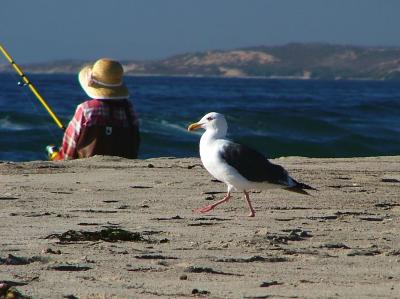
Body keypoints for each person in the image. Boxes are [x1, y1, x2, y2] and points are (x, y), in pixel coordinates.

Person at [49, 58, 140, 160]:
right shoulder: (129, 108)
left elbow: (68, 155)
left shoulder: (86, 109)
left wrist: (56, 156)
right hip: (125, 165)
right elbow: (135, 143)